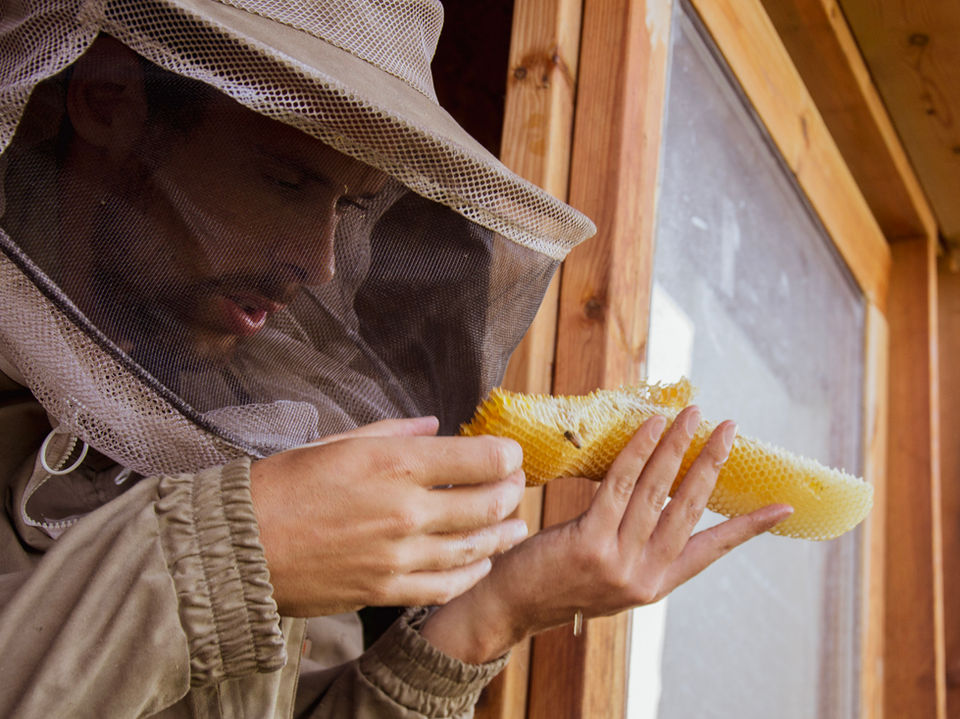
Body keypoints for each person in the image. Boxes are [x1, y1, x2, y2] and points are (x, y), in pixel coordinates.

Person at [0, 1, 793, 717]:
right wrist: (233, 551)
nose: (319, 264)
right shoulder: (265, 486)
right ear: (107, 100)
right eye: (284, 179)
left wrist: (496, 616)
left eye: (346, 205)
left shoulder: (263, 414)